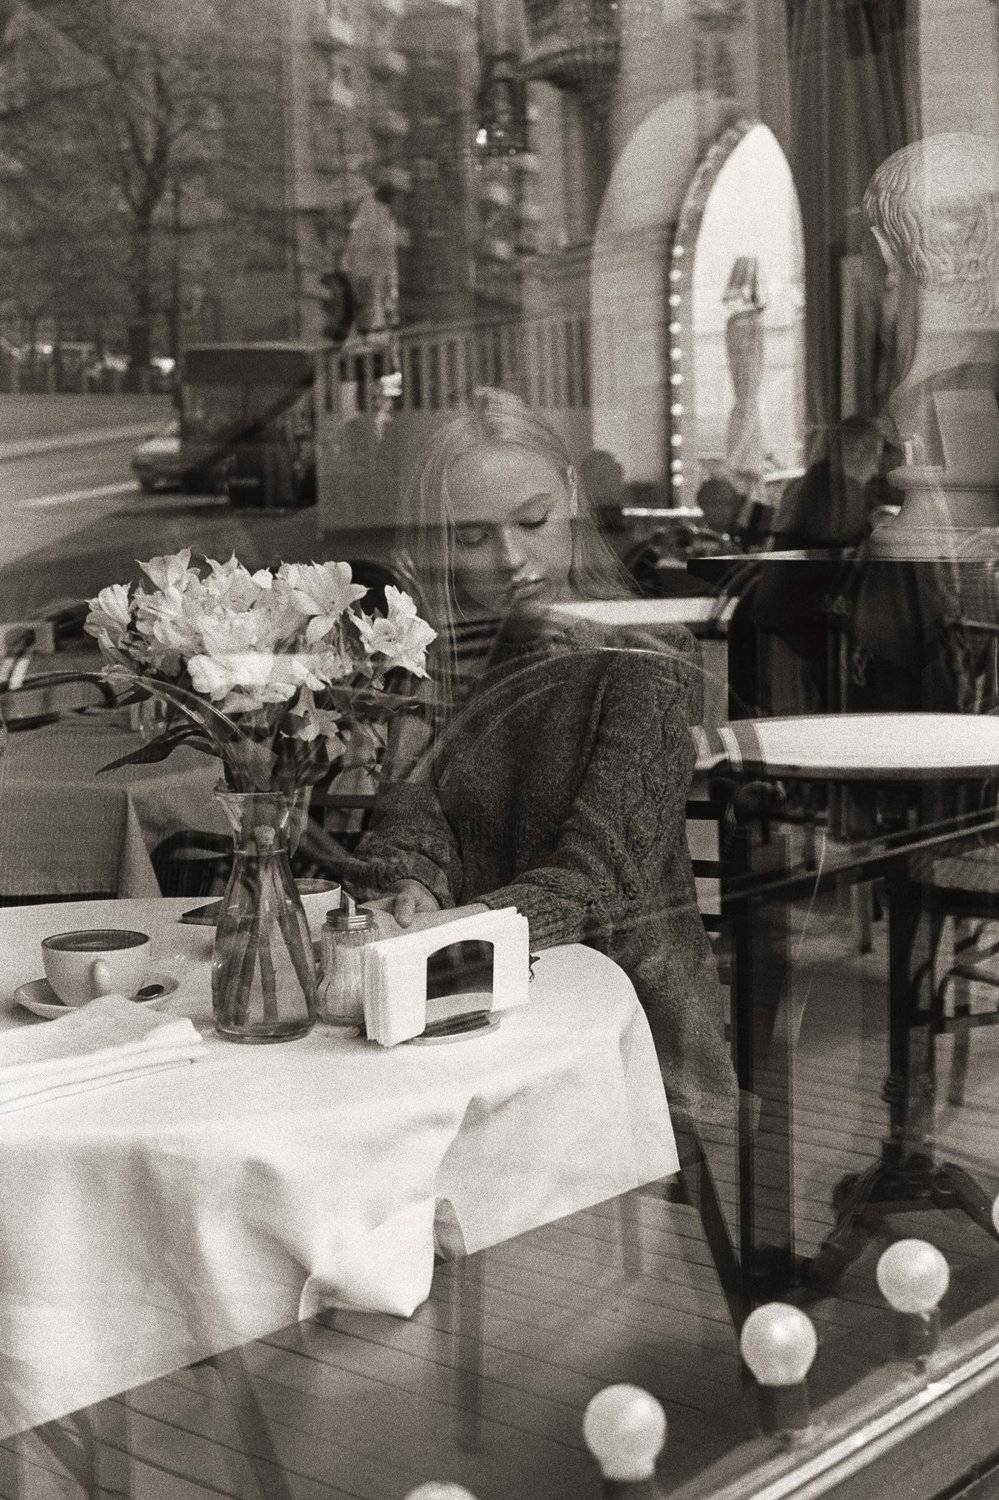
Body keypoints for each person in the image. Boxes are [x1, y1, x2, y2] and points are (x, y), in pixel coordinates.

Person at [352, 387, 735, 1124]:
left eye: (532, 522)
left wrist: (456, 928)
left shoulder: (644, 658)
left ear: (571, 499)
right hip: (460, 1014)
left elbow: (601, 882)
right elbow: (412, 822)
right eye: (472, 538)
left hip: (625, 1035)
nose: (511, 559)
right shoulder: (444, 657)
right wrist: (412, 884)